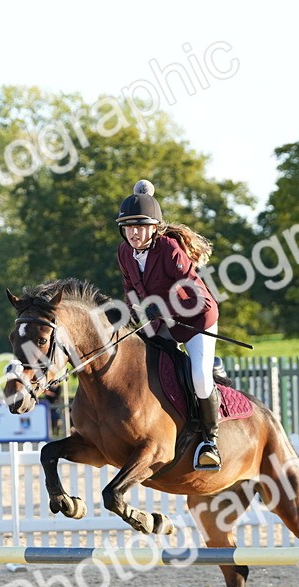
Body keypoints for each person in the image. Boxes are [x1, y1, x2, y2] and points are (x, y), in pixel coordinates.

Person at [115, 179, 221, 470]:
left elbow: (188, 291)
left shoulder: (170, 249)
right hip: (161, 319)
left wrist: (160, 308)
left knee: (199, 376)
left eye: (140, 226)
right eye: (128, 227)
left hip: (195, 317)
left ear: (154, 228)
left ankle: (209, 441)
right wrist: (129, 314)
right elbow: (131, 289)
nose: (134, 233)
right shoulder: (124, 253)